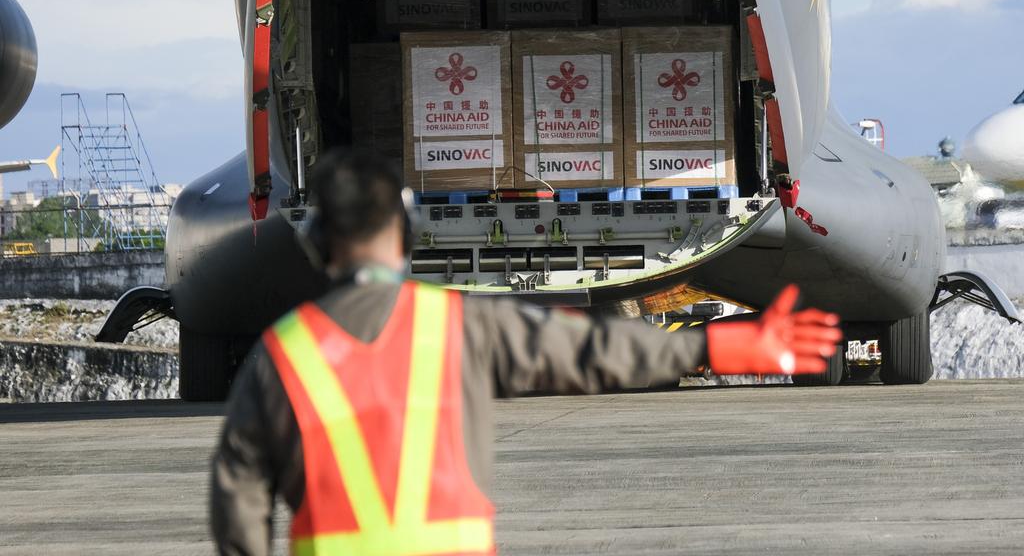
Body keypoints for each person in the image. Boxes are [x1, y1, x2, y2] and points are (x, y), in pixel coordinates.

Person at [210, 149, 841, 556]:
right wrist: (715, 347)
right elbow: (595, 350)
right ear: (405, 232)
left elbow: (238, 493)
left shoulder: (283, 354)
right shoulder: (461, 326)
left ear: (319, 241)